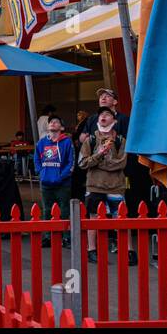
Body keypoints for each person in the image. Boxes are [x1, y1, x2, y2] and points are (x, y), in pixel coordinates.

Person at [79, 107, 135, 264]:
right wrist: (100, 154)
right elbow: (82, 163)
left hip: (116, 186)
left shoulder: (121, 141)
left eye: (107, 114)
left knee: (121, 219)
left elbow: (121, 163)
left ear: (114, 121)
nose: (103, 116)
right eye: (101, 114)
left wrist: (98, 162)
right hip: (94, 185)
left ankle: (128, 250)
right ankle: (91, 249)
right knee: (93, 218)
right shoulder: (90, 140)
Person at [34, 113, 74, 248]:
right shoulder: (41, 142)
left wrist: (61, 176)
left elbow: (71, 162)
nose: (52, 123)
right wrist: (41, 173)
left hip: (63, 183)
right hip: (46, 182)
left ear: (62, 127)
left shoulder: (67, 142)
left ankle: (66, 237)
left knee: (64, 210)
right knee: (46, 210)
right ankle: (47, 236)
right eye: (51, 122)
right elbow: (36, 160)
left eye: (56, 122)